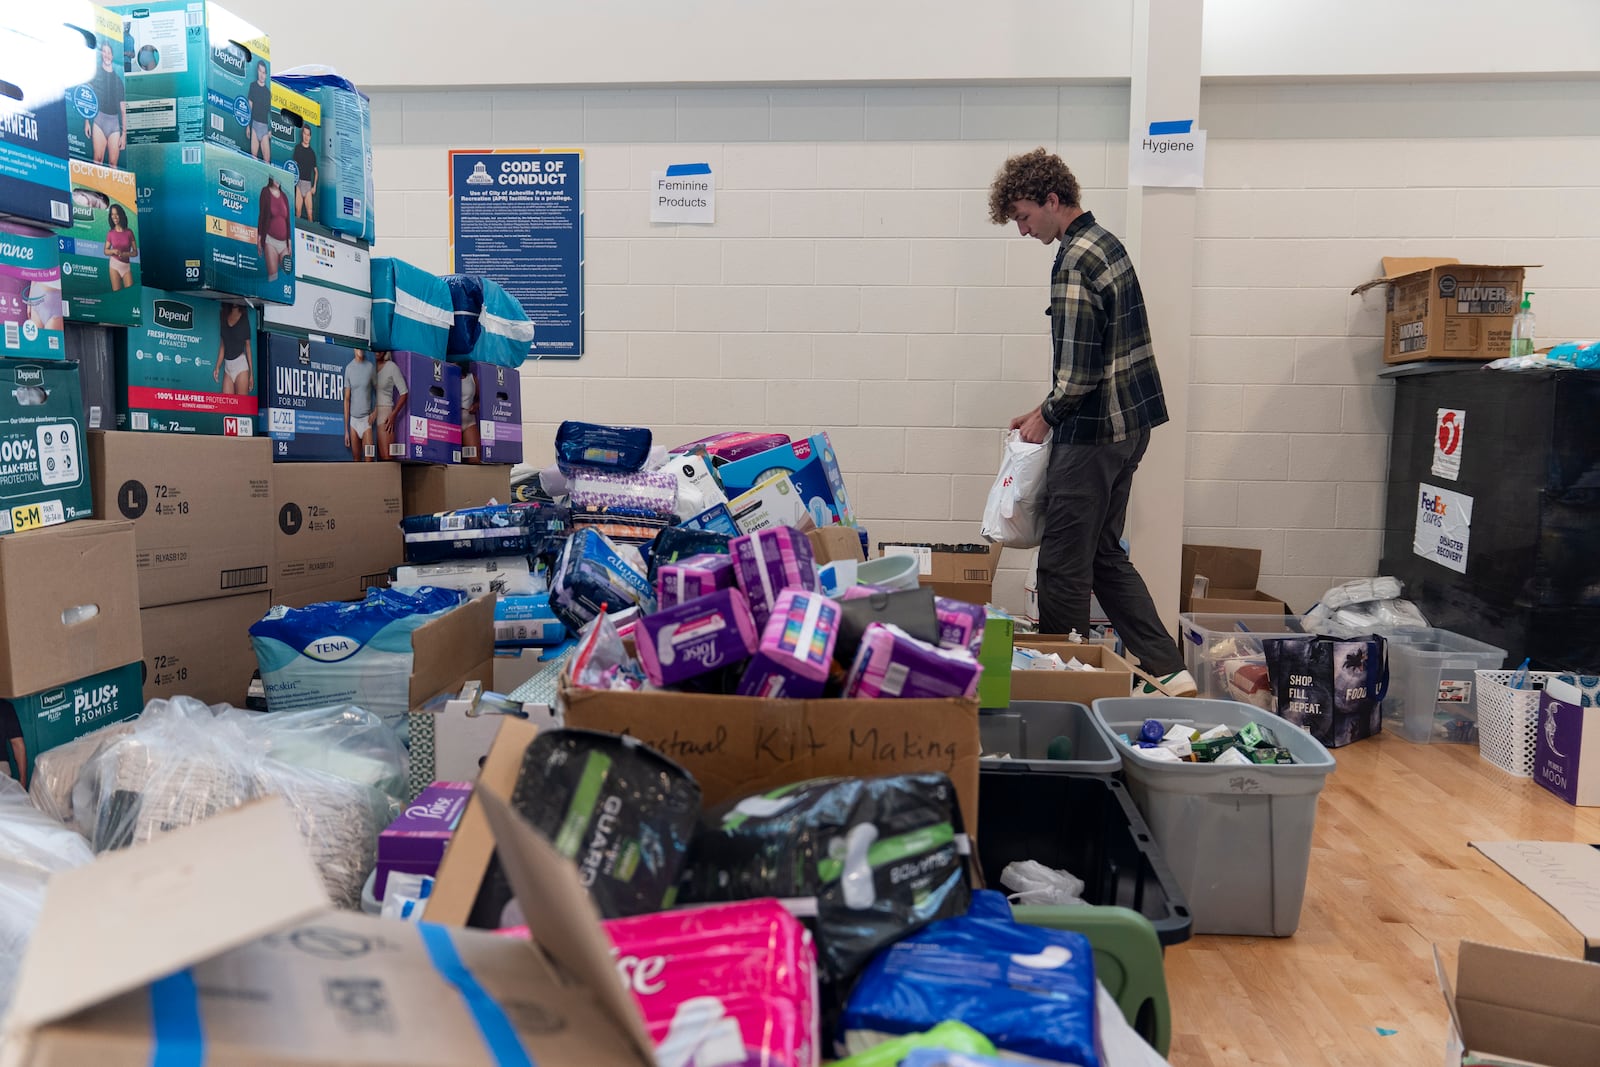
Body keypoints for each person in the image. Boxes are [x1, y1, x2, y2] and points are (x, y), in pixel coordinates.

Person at [988, 147, 1195, 697]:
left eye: (1025, 217)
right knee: (1103, 554)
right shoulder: (1106, 243)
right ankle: (1169, 671)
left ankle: (1062, 683)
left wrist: (1047, 418)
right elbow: (1096, 358)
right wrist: (1042, 409)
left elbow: (1077, 376)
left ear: (1053, 199)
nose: (1023, 230)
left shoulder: (1074, 259)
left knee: (1061, 565)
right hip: (1130, 430)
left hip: (1094, 435)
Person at [87, 42, 125, 167]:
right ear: (101, 54)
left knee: (113, 163)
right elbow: (86, 97)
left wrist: (124, 134)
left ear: (112, 56)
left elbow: (123, 110)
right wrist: (87, 121)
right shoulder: (94, 73)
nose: (106, 55)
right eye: (104, 51)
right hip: (99, 120)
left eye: (109, 52)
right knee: (97, 159)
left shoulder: (118, 80)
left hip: (114, 124)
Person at [372, 350, 408, 461]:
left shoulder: (391, 367)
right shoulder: (367, 366)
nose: (378, 352)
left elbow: (404, 393)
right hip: (368, 415)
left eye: (381, 349)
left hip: (384, 415)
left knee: (386, 457)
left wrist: (393, 415)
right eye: (376, 349)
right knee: (370, 459)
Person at [343, 349, 376, 461]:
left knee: (369, 461)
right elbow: (346, 400)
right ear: (353, 348)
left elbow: (380, 391)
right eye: (357, 347)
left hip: (366, 422)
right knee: (356, 462)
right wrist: (346, 431)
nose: (360, 350)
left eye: (362, 347)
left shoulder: (370, 367)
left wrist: (375, 412)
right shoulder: (349, 369)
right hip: (353, 423)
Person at [213, 302, 252, 394]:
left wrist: (251, 374)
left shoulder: (244, 318)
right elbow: (223, 345)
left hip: (240, 366)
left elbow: (248, 346)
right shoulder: (223, 316)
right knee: (227, 405)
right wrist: (217, 367)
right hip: (228, 367)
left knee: (241, 405)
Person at [256, 176, 290, 281]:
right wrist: (259, 238)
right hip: (270, 241)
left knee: (287, 274)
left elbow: (288, 220)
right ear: (271, 178)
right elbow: (262, 216)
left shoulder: (284, 196)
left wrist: (289, 242)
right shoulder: (265, 192)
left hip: (284, 244)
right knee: (273, 276)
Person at [103, 203, 136, 291]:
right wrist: (113, 251)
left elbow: (135, 252)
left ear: (121, 215)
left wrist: (126, 254)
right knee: (116, 294)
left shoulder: (129, 232)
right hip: (114, 266)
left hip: (126, 266)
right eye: (112, 214)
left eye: (116, 214)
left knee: (130, 293)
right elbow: (106, 251)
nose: (114, 217)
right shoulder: (110, 233)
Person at [291, 124, 318, 221]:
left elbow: (316, 171)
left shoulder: (312, 153)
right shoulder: (298, 148)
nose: (306, 137)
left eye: (308, 135)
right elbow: (293, 165)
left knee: (310, 215)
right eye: (305, 134)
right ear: (302, 134)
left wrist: (314, 187)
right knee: (297, 212)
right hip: (299, 184)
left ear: (310, 137)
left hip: (308, 185)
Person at [248, 60, 271, 162]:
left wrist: (271, 131)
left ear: (266, 74)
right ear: (257, 71)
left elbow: (272, 114)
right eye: (260, 71)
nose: (262, 74)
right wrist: (248, 126)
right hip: (254, 126)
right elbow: (249, 108)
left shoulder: (268, 93)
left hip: (265, 128)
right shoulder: (252, 86)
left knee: (267, 161)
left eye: (264, 72)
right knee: (253, 159)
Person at [459, 366, 480, 461]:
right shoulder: (445, 375)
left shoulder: (472, 378)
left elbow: (481, 398)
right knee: (452, 457)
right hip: (451, 419)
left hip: (468, 418)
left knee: (474, 458)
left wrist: (476, 405)